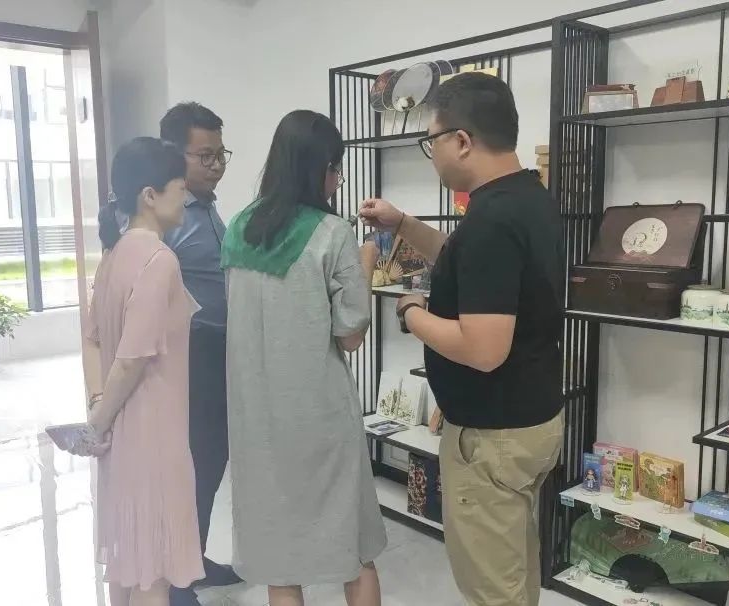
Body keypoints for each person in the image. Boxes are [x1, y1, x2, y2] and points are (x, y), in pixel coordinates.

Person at [360, 72, 566, 606]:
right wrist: (403, 223)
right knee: (514, 572)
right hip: (532, 418)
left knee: (492, 589)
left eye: (431, 139)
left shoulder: (491, 219)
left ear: (462, 141)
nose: (431, 152)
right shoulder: (527, 197)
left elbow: (483, 349)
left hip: (494, 436)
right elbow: (465, 258)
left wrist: (412, 312)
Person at [222, 110, 386, 606]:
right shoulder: (332, 232)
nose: (336, 180)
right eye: (335, 168)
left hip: (256, 423)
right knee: (355, 552)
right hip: (320, 418)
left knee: (281, 564)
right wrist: (367, 262)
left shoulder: (238, 227)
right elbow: (351, 335)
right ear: (319, 168)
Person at [84, 137, 203, 606]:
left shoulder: (112, 256)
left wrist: (99, 409)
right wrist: (97, 421)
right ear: (150, 196)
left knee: (128, 565)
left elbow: (93, 339)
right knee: (154, 573)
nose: (185, 198)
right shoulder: (159, 259)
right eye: (179, 188)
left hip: (120, 435)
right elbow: (132, 358)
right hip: (154, 435)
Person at [158, 102, 241, 606]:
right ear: (175, 155)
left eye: (220, 154)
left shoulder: (208, 208)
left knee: (210, 463)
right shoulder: (165, 216)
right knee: (191, 468)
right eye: (204, 156)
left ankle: (196, 559)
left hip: (218, 352)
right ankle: (176, 580)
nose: (216, 165)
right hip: (189, 355)